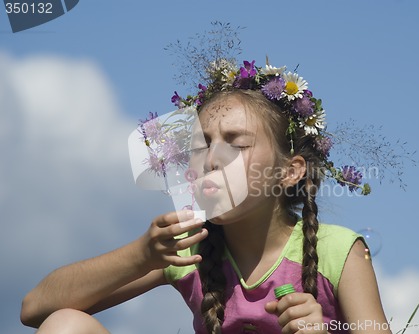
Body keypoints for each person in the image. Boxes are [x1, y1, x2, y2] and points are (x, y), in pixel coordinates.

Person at [21, 59, 391, 334]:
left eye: (237, 144)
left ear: (289, 171)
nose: (212, 159)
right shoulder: (188, 250)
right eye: (201, 146)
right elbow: (35, 308)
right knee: (66, 324)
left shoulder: (341, 251)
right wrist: (141, 256)